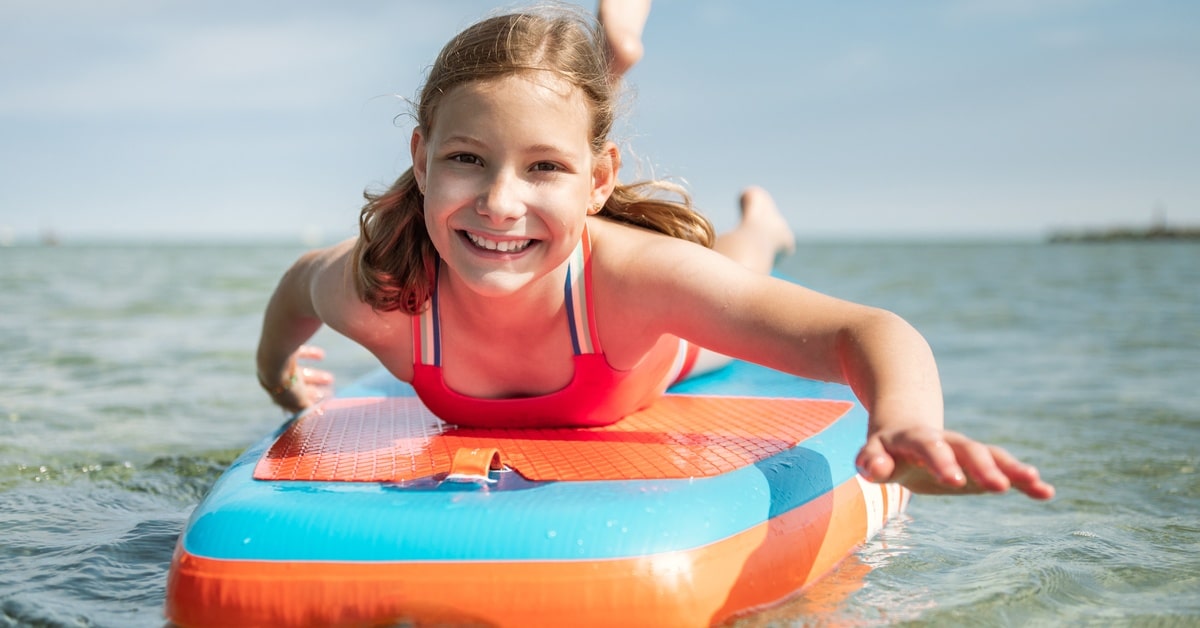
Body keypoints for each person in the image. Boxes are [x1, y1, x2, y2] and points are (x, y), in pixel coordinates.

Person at [255, 5, 1054, 501]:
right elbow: (295, 291)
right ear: (421, 157)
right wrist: (278, 376)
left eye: (545, 167)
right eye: (467, 159)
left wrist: (907, 422)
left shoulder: (634, 281)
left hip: (650, 346)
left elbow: (869, 332)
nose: (499, 201)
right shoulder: (384, 291)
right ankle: (615, 52)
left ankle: (764, 222)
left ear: (600, 180)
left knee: (735, 272)